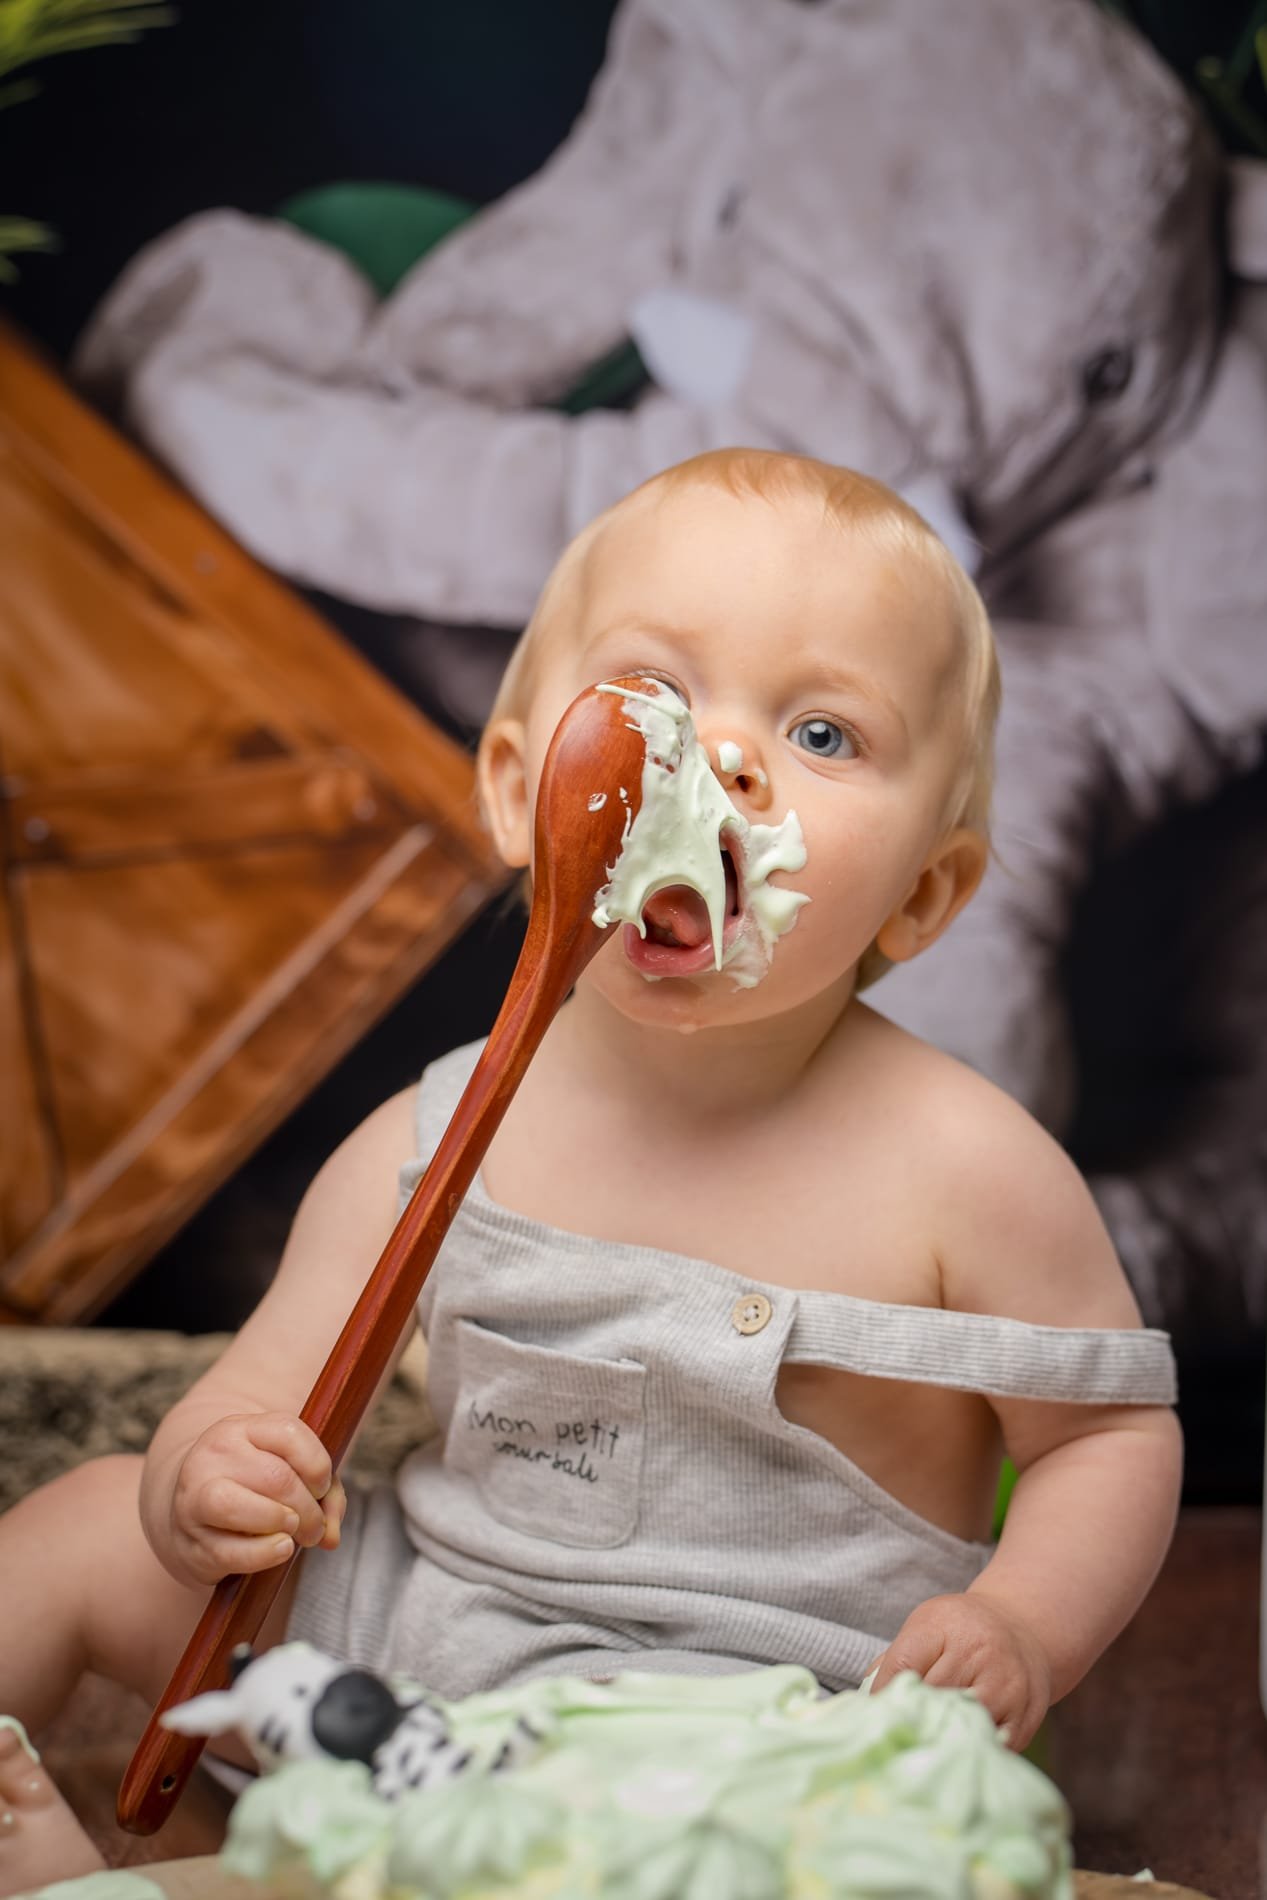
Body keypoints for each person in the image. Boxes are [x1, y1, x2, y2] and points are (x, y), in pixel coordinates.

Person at [0, 450, 1180, 1895]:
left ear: (924, 894)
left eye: (821, 732)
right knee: (79, 1530)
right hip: (422, 1632)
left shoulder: (967, 1168)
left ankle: (118, 1886)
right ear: (521, 791)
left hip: (757, 1731)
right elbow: (261, 1390)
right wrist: (211, 1472)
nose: (722, 759)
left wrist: (1022, 1623)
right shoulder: (436, 1135)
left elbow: (1104, 1441)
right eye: (655, 700)